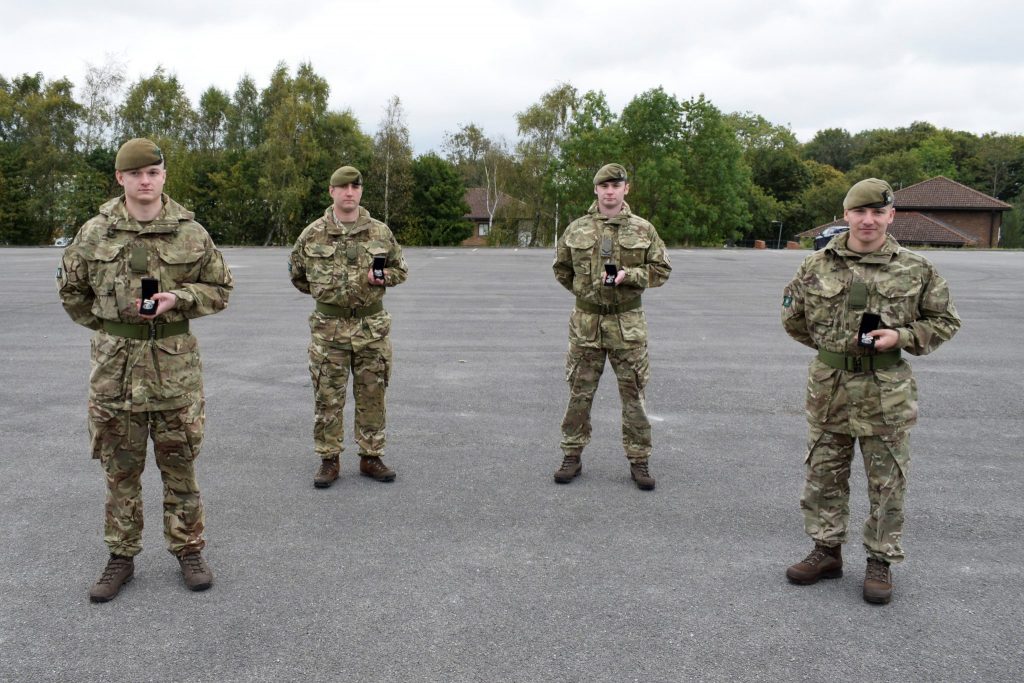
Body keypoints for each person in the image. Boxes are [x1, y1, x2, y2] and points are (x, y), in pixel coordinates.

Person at [57, 138, 234, 602]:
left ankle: (188, 549)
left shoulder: (191, 232)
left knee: (180, 468)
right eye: (135, 174)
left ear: (163, 176)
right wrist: (116, 330)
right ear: (120, 179)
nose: (145, 181)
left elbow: (220, 288)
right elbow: (73, 294)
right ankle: (121, 556)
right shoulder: (94, 233)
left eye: (153, 173)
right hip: (115, 374)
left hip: (175, 372)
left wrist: (181, 299)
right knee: (120, 472)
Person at [781, 177, 961, 604]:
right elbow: (794, 319)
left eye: (877, 212)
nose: (868, 220)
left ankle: (880, 561)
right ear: (846, 215)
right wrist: (835, 351)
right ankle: (826, 551)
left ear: (891, 216)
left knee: (887, 481)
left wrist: (899, 337)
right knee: (824, 474)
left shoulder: (916, 268)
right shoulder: (815, 266)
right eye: (859, 212)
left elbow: (945, 321)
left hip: (886, 391)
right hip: (830, 387)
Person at [552, 163, 672, 490]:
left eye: (615, 185)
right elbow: (562, 269)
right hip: (586, 325)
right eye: (603, 186)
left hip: (627, 324)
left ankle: (639, 460)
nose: (609, 191)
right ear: (595, 190)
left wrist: (629, 277)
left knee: (633, 395)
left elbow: (661, 270)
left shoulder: (643, 230)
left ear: (625, 189)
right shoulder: (576, 229)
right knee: (579, 393)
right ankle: (571, 455)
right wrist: (587, 295)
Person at [289, 166, 408, 488]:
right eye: (343, 187)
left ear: (360, 192)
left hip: (372, 329)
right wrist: (329, 296)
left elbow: (400, 269)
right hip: (329, 332)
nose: (349, 192)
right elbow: (298, 275)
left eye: (355, 187)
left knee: (372, 395)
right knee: (328, 398)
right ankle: (329, 459)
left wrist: (383, 278)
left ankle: (371, 456)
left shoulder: (380, 233)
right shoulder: (312, 234)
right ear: (331, 191)